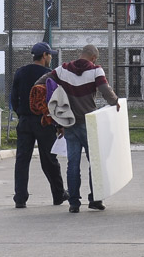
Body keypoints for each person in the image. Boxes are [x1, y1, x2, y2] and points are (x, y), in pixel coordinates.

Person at [36, 44, 118, 213]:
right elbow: (105, 91)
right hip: (89, 123)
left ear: (81, 55)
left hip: (70, 123)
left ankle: (74, 202)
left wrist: (52, 101)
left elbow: (41, 82)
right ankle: (95, 199)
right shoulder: (96, 71)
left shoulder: (63, 70)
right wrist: (115, 101)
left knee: (73, 163)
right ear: (94, 57)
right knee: (94, 162)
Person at [9, 42, 68, 209]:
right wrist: (58, 124)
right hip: (44, 121)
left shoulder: (20, 72)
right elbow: (54, 102)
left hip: (25, 121)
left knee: (22, 160)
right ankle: (58, 194)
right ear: (44, 56)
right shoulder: (49, 74)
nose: (51, 58)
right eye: (50, 55)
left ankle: (20, 198)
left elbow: (14, 98)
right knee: (49, 159)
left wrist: (21, 114)